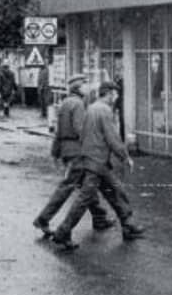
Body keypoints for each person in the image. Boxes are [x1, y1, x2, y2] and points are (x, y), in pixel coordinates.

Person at [49, 81, 145, 251]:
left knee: (116, 191)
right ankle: (63, 232)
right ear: (109, 93)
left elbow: (84, 134)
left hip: (92, 159)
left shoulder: (91, 107)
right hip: (97, 161)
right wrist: (125, 157)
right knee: (86, 198)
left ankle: (128, 225)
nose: (116, 97)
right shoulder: (104, 110)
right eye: (115, 94)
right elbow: (112, 137)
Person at [32, 75, 114, 237]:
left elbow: (58, 130)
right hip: (77, 151)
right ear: (79, 88)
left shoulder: (65, 103)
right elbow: (80, 130)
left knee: (87, 186)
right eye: (85, 84)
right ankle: (43, 219)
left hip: (67, 150)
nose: (88, 87)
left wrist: (55, 152)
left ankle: (99, 217)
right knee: (69, 187)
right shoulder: (77, 104)